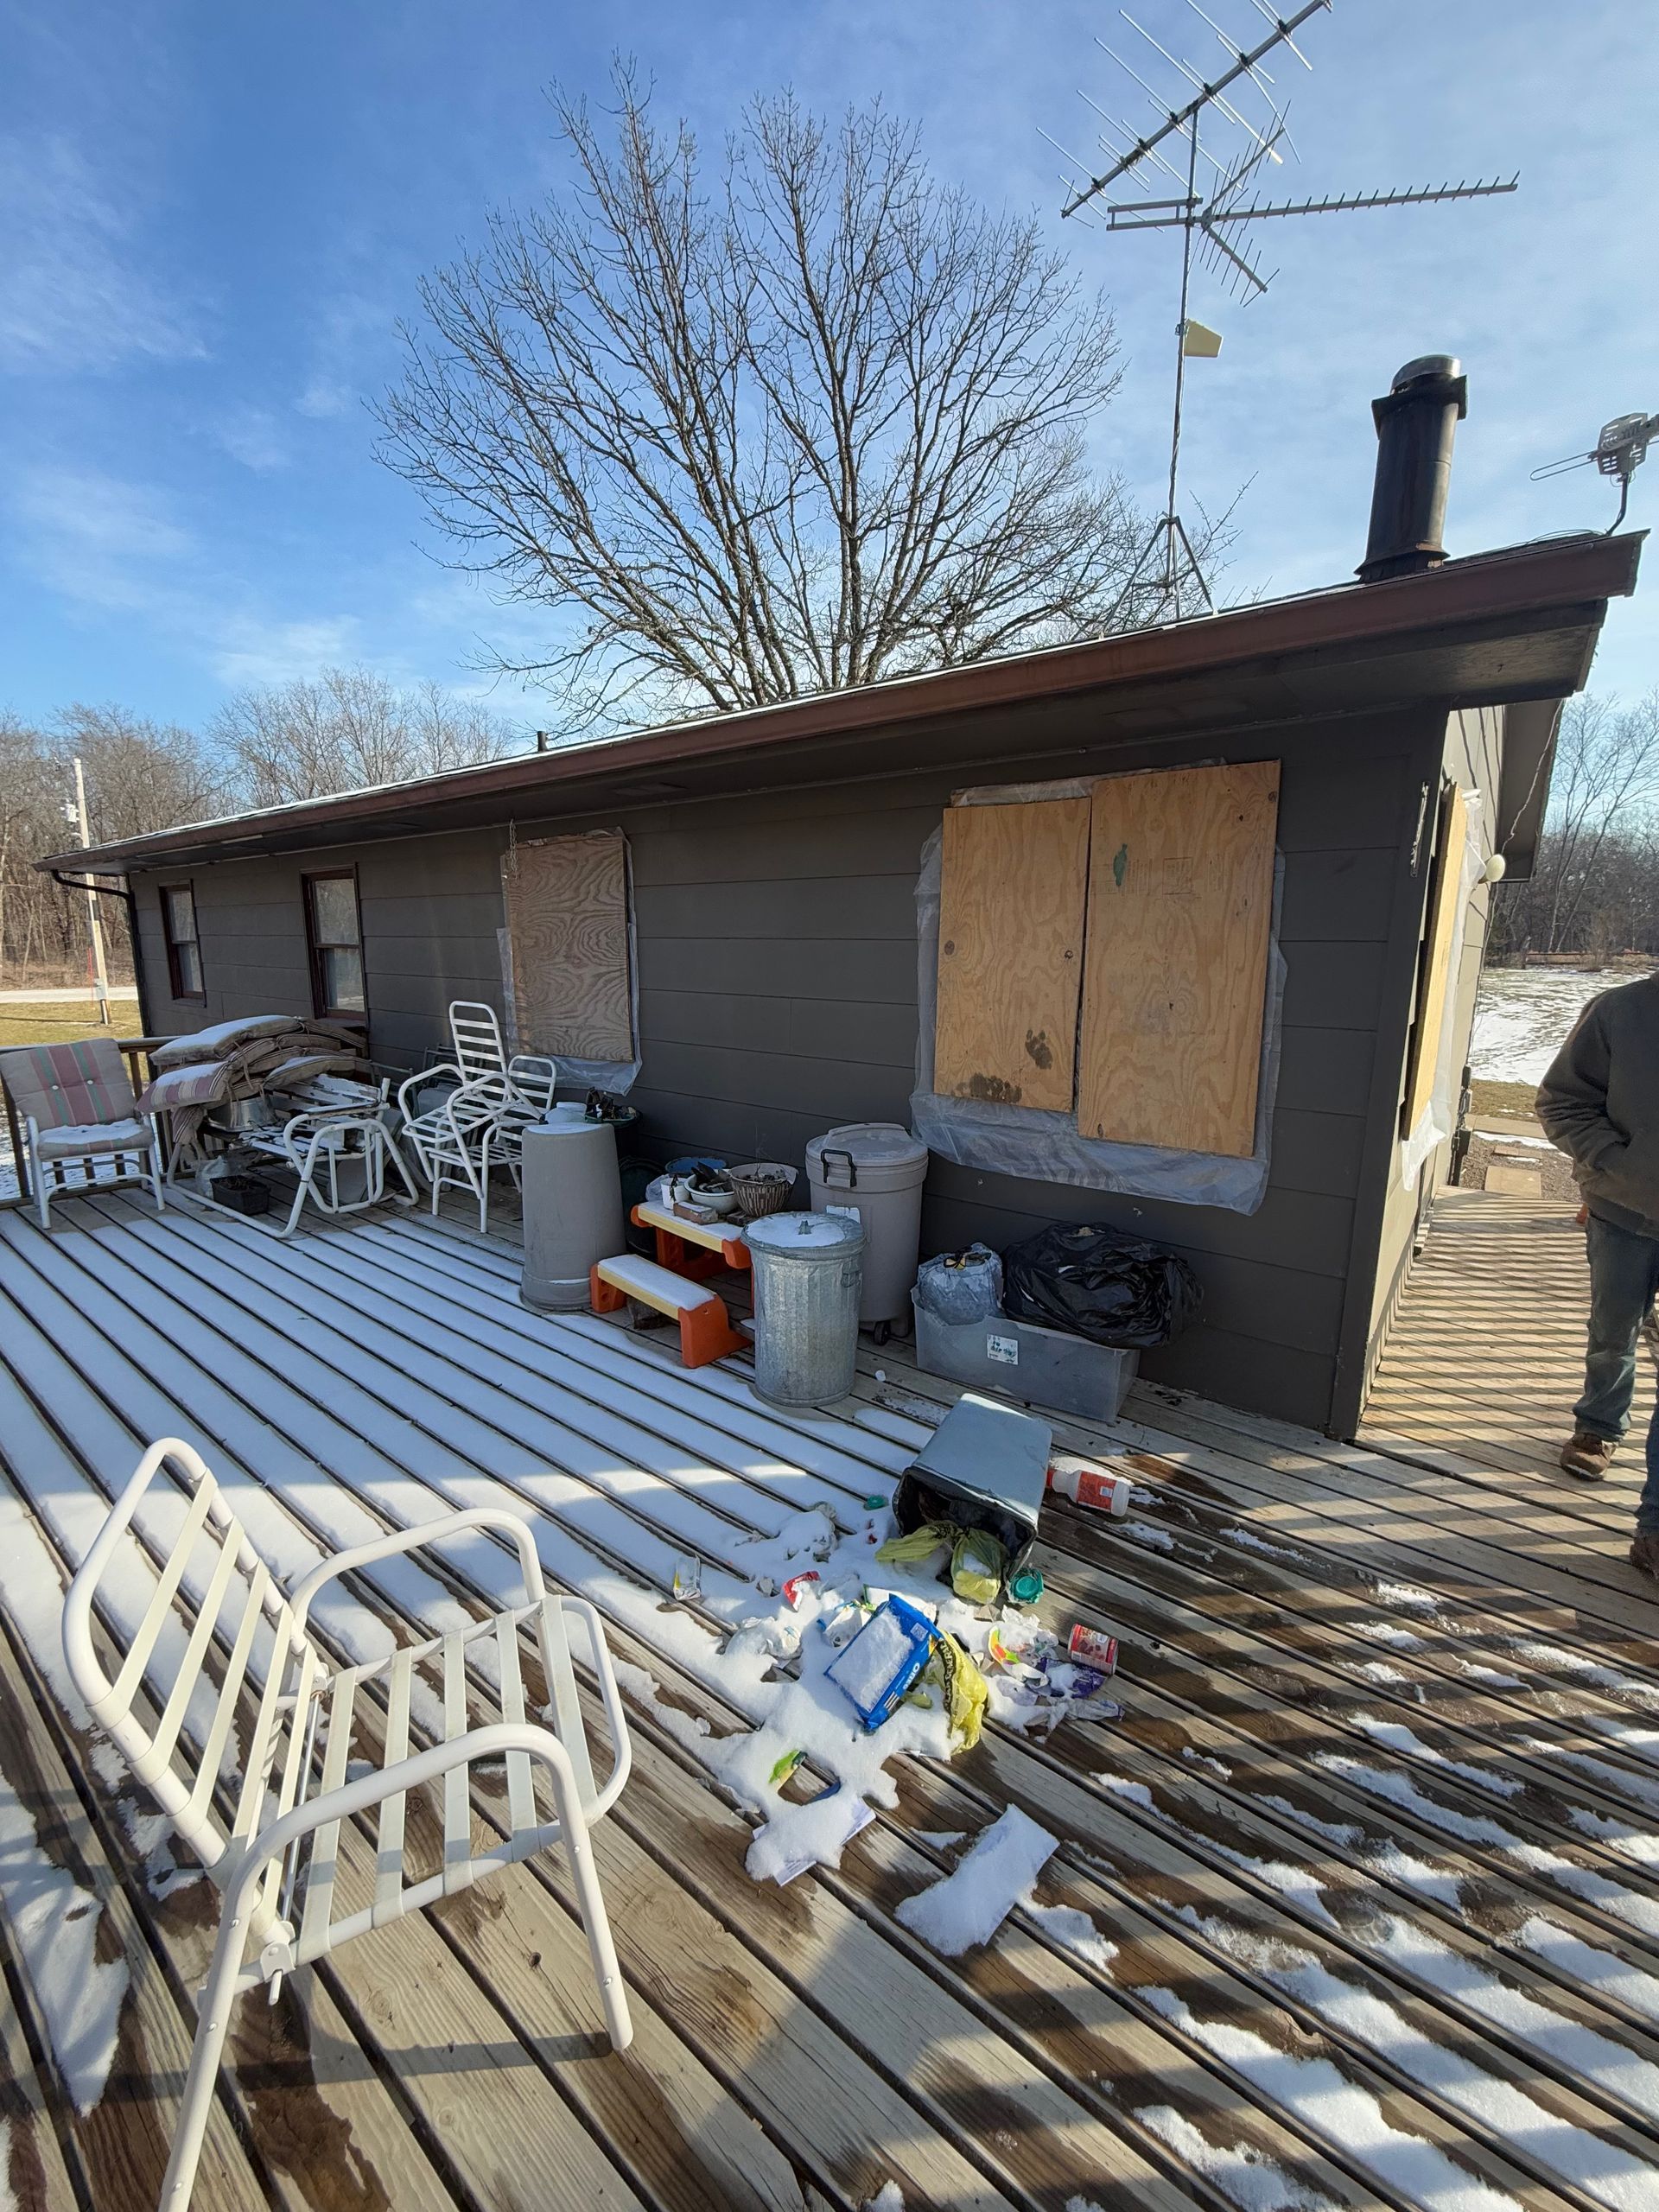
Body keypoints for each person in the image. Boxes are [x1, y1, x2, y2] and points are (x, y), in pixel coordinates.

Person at [1536, 973, 1659, 1577]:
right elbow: (1561, 1101)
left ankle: (1654, 1527)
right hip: (1621, 1214)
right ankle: (1598, 1426)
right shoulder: (1620, 1011)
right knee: (1615, 1330)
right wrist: (1614, 1161)